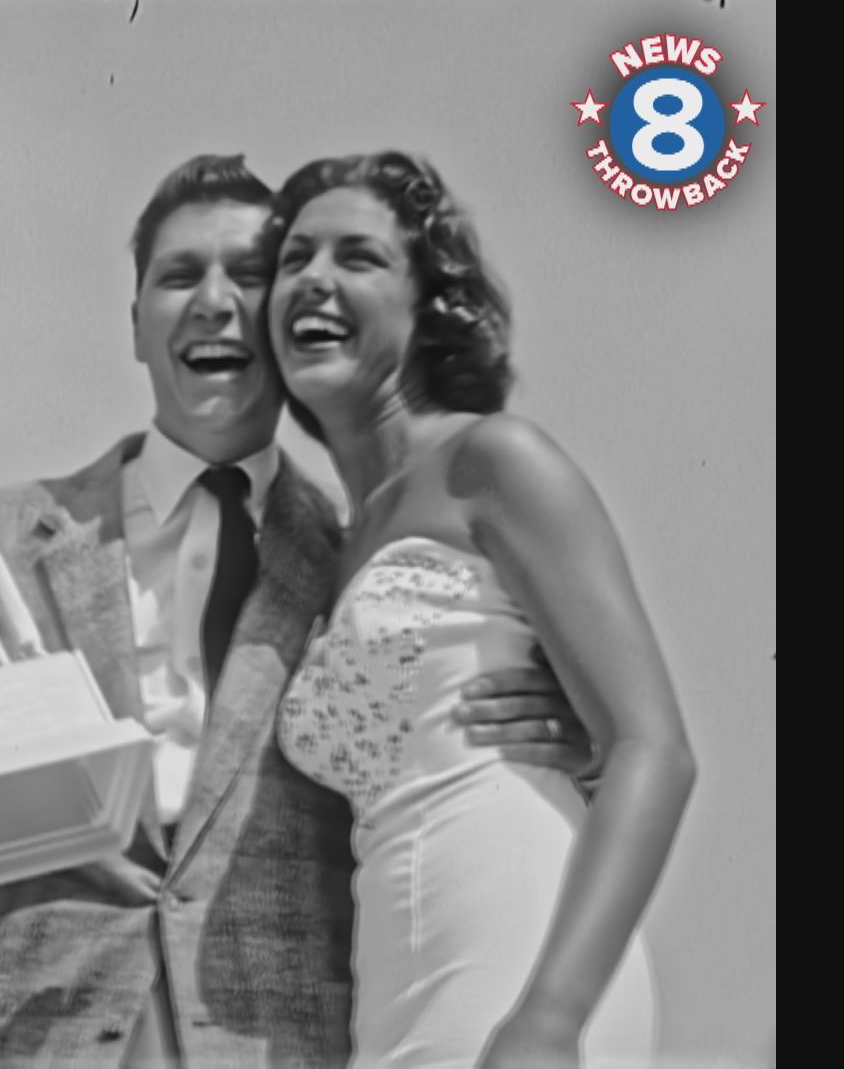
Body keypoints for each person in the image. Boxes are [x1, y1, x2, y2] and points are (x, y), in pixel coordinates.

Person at [0, 153, 598, 1067]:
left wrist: (555, 724)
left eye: (249, 275)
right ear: (137, 326)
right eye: (180, 275)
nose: (214, 300)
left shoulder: (369, 573)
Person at [265, 152, 698, 1069]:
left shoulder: (494, 462)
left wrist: (551, 1021)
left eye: (358, 257)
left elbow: (652, 749)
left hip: (518, 961)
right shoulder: (338, 541)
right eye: (295, 258)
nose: (314, 280)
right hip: (397, 983)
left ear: (429, 304)